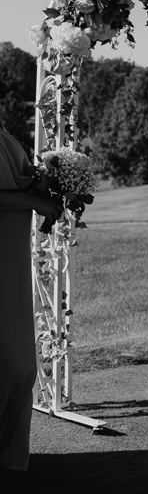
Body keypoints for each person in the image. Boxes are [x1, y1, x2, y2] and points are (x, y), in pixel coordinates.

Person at [0, 121, 64, 471]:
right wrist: (30, 198)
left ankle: (9, 452)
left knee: (20, 363)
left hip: (10, 258)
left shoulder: (3, 129)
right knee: (10, 361)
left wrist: (49, 182)